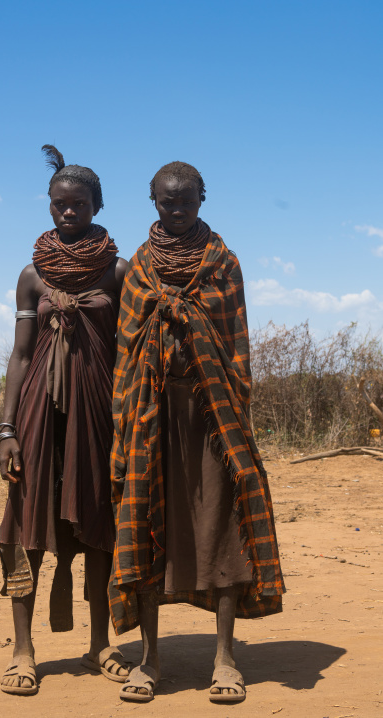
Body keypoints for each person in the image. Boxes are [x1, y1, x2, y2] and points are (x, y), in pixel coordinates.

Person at [108, 161, 284, 703]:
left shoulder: (222, 263)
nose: (177, 210)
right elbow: (129, 344)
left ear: (203, 199)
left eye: (186, 201)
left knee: (220, 528)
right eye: (167, 202)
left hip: (212, 414)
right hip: (151, 413)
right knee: (145, 525)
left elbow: (236, 342)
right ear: (153, 202)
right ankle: (151, 660)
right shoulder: (139, 266)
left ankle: (226, 659)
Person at [0, 145, 129, 695]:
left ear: (97, 205)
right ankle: (24, 650)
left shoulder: (120, 271)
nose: (67, 213)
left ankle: (100, 644)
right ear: (49, 206)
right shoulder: (32, 275)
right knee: (27, 524)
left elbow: (130, 349)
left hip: (98, 414)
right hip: (36, 415)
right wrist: (6, 429)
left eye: (78, 204)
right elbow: (22, 354)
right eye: (58, 205)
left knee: (96, 524)